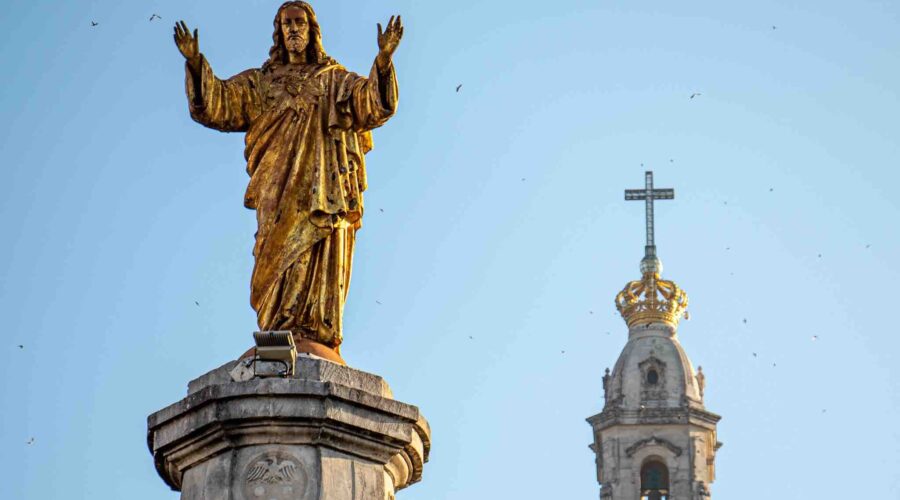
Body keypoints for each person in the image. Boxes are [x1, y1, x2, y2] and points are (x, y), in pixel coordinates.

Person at [173, 2, 404, 360]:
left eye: (299, 23)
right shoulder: (261, 83)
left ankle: (313, 330)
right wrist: (195, 64)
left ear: (312, 31)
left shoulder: (333, 80)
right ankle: (279, 326)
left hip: (323, 188)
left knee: (318, 246)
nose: (293, 29)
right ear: (278, 32)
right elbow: (219, 104)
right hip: (276, 189)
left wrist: (384, 62)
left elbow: (371, 104)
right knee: (273, 250)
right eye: (286, 24)